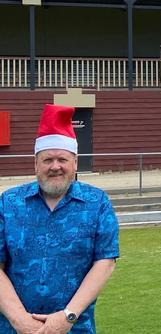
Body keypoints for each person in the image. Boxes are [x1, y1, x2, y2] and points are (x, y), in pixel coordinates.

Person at [0, 104, 119, 333]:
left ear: (75, 163)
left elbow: (105, 262)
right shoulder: (8, 203)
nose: (55, 166)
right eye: (47, 160)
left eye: (62, 159)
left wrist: (68, 316)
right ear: (35, 164)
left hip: (75, 328)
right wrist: (20, 320)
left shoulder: (97, 203)